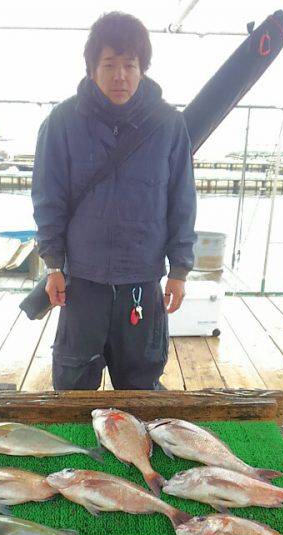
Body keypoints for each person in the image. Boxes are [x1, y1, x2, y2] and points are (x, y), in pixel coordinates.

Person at [31, 11, 197, 390]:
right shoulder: (61, 122)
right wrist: (53, 263)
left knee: (140, 385)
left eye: (129, 65)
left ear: (143, 69)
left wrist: (180, 270)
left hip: (141, 280)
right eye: (109, 65)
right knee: (72, 384)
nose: (119, 75)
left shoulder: (169, 126)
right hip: (83, 281)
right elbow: (48, 198)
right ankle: (78, 449)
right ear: (92, 69)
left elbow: (182, 201)